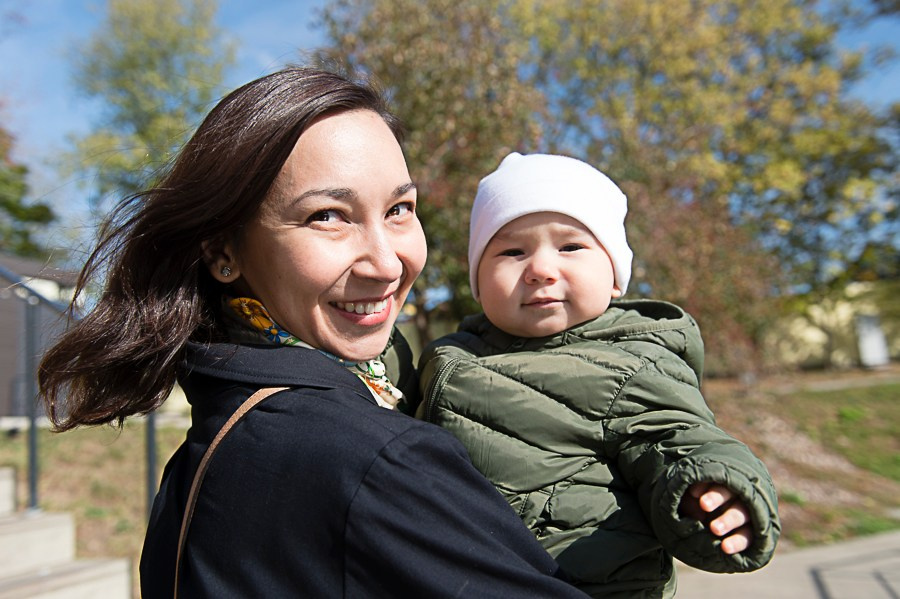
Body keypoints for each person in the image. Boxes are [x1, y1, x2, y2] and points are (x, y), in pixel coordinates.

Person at [38, 69, 590, 598]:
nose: (386, 264)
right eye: (328, 216)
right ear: (222, 251)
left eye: (399, 209)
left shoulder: (213, 441)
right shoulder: (374, 459)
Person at [416, 152, 781, 598]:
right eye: (512, 251)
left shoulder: (631, 361)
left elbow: (676, 438)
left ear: (614, 276)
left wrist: (708, 486)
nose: (540, 270)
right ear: (478, 277)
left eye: (571, 247)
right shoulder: (450, 354)